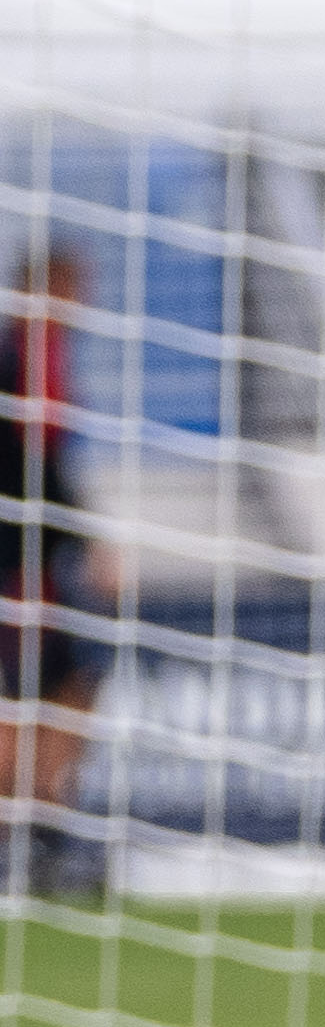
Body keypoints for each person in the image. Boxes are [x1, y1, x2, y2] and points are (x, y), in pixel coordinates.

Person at [5, 243, 104, 901]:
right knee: (27, 691)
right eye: (73, 285)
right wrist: (87, 535)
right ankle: (32, 829)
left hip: (37, 555)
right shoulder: (22, 355)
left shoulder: (44, 356)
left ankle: (41, 823)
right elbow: (30, 463)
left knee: (67, 682)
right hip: (16, 559)